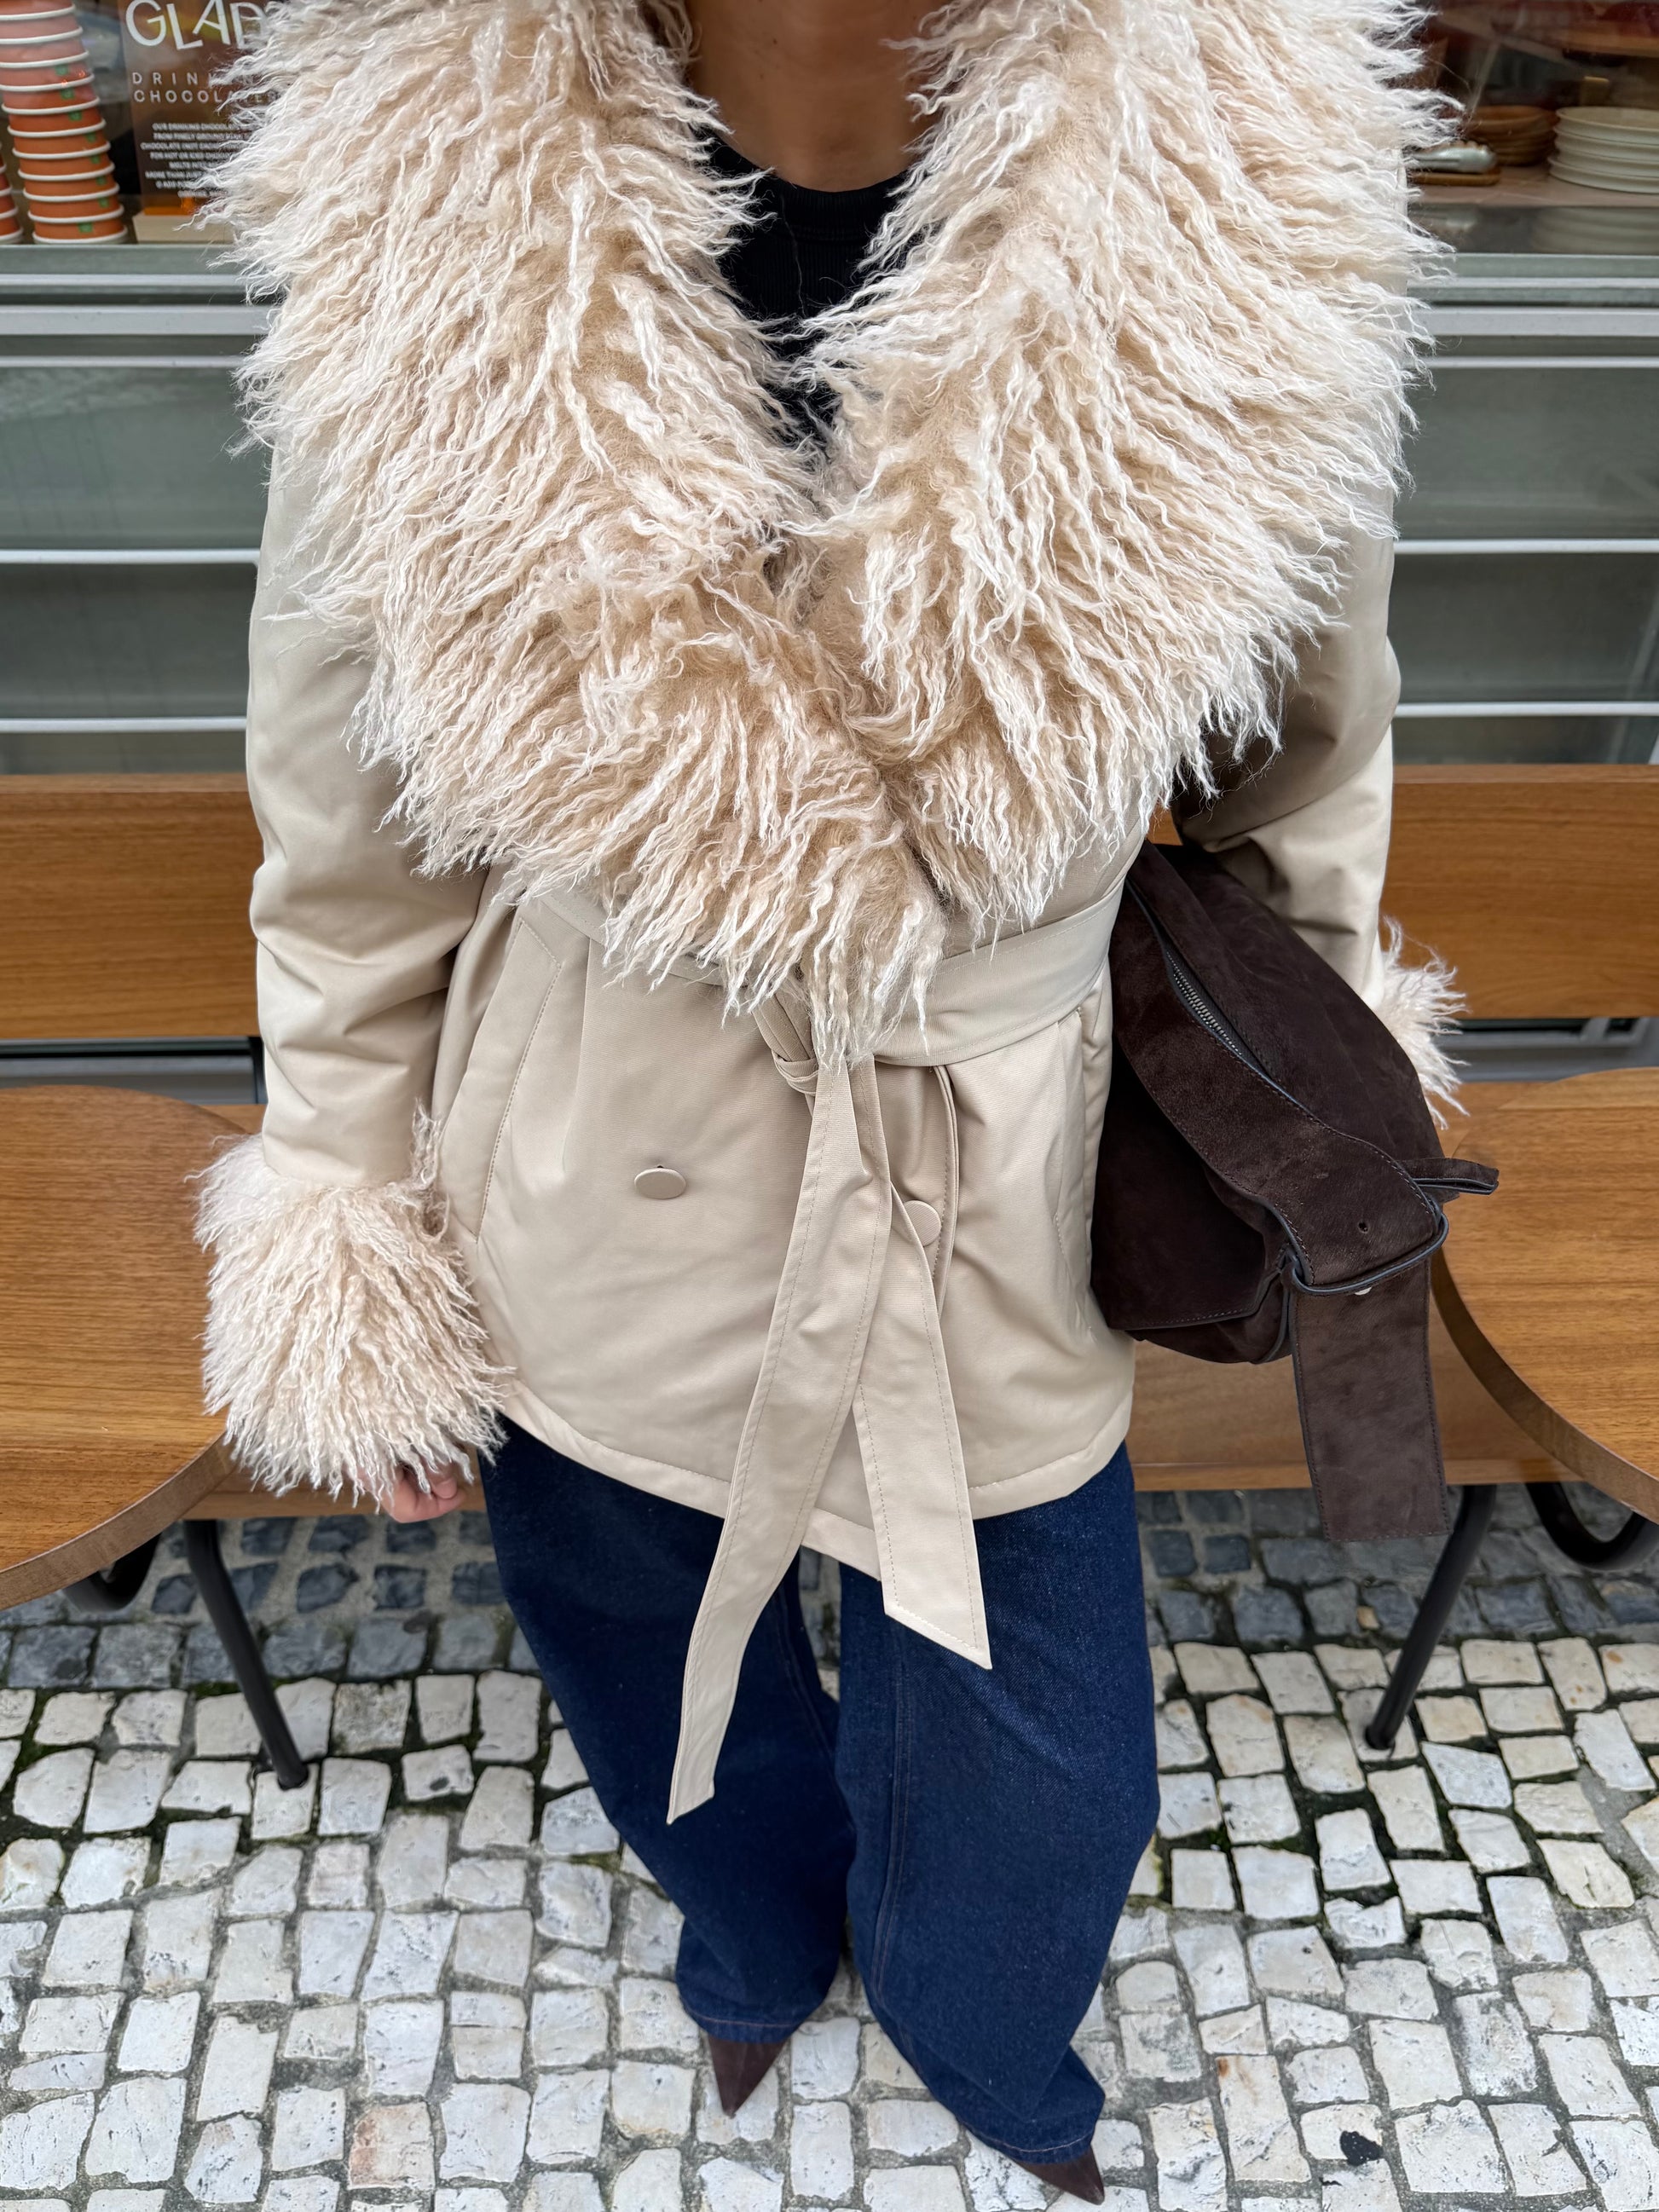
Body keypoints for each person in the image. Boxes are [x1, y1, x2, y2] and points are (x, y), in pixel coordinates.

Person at [202, 0, 1454, 2192]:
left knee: (1045, 1735)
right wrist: (343, 1204)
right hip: (592, 1127)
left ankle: (978, 2019)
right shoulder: (429, 208)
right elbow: (348, 825)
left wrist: (1313, 1091)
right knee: (621, 1621)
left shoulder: (1242, 188)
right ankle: (757, 1926)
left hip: (1000, 1150)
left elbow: (1308, 750)